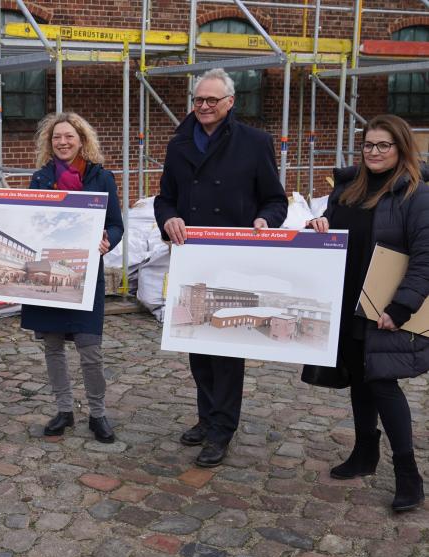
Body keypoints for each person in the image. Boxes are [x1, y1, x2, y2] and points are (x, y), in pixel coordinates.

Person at [154, 68, 287, 466]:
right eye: (199, 100)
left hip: (235, 257)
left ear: (230, 102)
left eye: (212, 100)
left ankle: (221, 430)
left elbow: (274, 200)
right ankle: (206, 416)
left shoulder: (254, 142)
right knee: (196, 342)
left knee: (226, 347)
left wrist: (266, 222)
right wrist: (168, 219)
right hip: (194, 255)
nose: (205, 106)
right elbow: (165, 198)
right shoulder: (179, 144)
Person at [307, 114, 428, 511]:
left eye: (384, 145)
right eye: (369, 145)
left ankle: (408, 473)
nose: (374, 152)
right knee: (359, 377)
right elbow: (336, 238)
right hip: (348, 302)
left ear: (401, 148)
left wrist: (401, 307)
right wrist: (320, 226)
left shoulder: (416, 195)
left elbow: (425, 258)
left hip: (386, 307)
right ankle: (364, 452)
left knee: (382, 383)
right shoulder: (346, 191)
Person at [22, 112, 125, 444]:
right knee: (52, 346)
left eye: (69, 136)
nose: (62, 142)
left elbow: (116, 224)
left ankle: (98, 413)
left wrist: (108, 239)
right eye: (56, 138)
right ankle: (64, 409)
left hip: (85, 275)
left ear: (82, 140)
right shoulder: (40, 179)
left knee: (90, 348)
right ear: (49, 143)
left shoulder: (101, 178)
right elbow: (30, 224)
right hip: (47, 276)